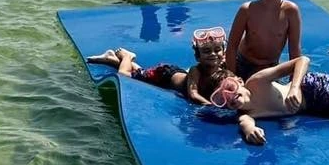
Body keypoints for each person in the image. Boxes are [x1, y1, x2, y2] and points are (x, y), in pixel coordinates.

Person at [87, 25, 231, 105]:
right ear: (197, 57)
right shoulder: (196, 70)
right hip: (163, 76)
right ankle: (126, 56)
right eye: (206, 51)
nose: (213, 54)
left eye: (217, 50)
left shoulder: (222, 68)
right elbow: (193, 94)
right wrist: (209, 104)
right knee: (125, 75)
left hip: (175, 73)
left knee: (141, 73)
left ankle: (111, 59)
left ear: (223, 53)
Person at [225, 0, 302, 80]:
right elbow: (231, 47)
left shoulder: (291, 11)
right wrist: (232, 77)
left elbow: (294, 49)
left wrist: (293, 82)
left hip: (271, 67)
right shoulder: (247, 10)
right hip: (243, 62)